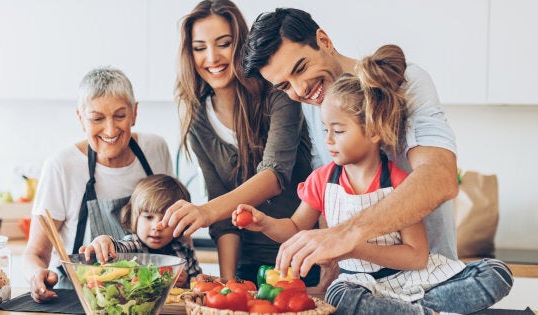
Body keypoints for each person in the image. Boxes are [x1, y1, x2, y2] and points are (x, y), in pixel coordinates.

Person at [234, 44, 512, 314]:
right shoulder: (322, 180)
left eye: (339, 131)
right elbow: (295, 228)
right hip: (362, 285)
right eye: (325, 130)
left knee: (496, 273)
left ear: (374, 131)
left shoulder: (402, 185)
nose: (328, 140)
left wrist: (353, 244)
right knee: (340, 296)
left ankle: (410, 309)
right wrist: (264, 223)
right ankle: (425, 312)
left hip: (413, 279)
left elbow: (416, 257)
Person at [238, 7, 465, 280]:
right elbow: (328, 201)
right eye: (284, 86)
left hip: (430, 277)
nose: (300, 91)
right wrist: (328, 280)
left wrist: (346, 236)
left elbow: (440, 177)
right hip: (358, 282)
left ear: (324, 40)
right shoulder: (316, 103)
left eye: (300, 68)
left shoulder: (407, 82)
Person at [167, 0, 320, 286]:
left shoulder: (279, 93)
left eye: (223, 43)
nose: (211, 57)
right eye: (199, 48)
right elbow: (223, 217)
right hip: (249, 268)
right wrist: (228, 284)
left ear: (241, 44)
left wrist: (205, 211)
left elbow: (274, 175)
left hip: (304, 259)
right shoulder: (198, 119)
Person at [22, 67, 173, 303]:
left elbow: (175, 225)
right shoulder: (61, 166)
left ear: (135, 112)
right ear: (81, 118)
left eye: (120, 116)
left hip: (145, 298)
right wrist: (36, 276)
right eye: (97, 118)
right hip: (80, 299)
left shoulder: (155, 150)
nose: (111, 130)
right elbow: (36, 253)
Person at [80, 174, 202, 288]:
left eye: (166, 220)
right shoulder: (133, 245)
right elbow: (117, 248)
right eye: (148, 217)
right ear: (134, 218)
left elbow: (199, 283)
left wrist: (187, 281)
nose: (156, 227)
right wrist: (105, 241)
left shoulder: (184, 249)